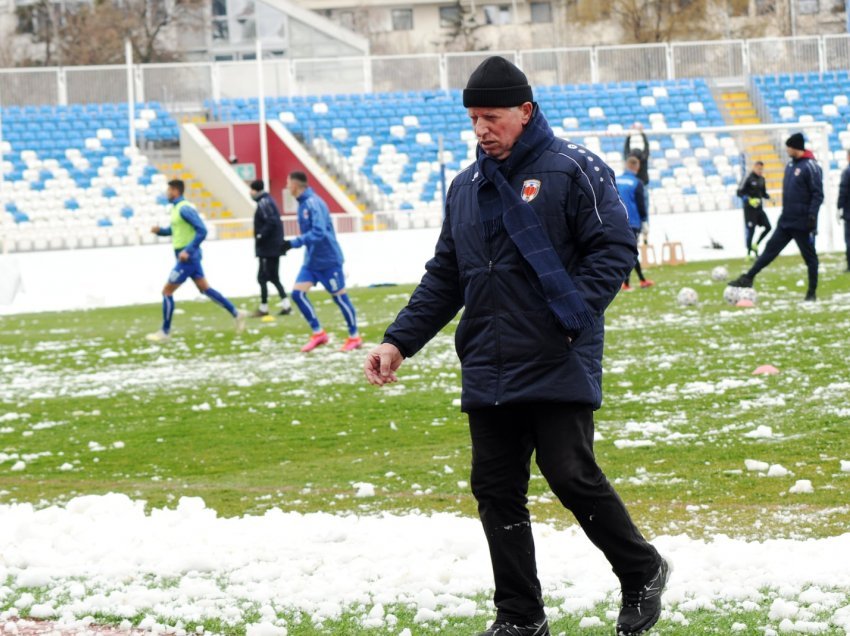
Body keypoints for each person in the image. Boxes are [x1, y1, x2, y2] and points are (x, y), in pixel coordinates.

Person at [364, 56, 669, 636]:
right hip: (488, 358)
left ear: (525, 112)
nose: (481, 129)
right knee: (496, 490)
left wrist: (572, 319)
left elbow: (614, 247)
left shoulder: (574, 168)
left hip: (558, 350)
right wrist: (398, 342)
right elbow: (445, 276)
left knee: (569, 473)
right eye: (474, 118)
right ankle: (520, 617)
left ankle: (642, 568)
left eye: (492, 116)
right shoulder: (465, 188)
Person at [146, 179, 246, 343]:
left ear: (176, 190)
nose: (167, 193)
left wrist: (188, 250)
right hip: (188, 257)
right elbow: (175, 230)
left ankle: (165, 331)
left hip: (188, 259)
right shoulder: (176, 209)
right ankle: (236, 313)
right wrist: (160, 232)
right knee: (205, 289)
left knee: (167, 292)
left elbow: (202, 230)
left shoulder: (184, 208)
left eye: (169, 190)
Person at [729, 133, 823, 301]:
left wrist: (812, 217)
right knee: (769, 250)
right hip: (786, 221)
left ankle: (811, 293)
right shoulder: (790, 166)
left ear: (796, 148)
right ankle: (748, 278)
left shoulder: (811, 166)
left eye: (789, 147)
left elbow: (818, 195)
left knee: (810, 258)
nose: (787, 150)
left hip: (802, 223)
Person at [283, 171, 362, 353]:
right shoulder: (302, 204)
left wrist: (292, 243)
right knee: (297, 294)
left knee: (340, 298)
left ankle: (354, 336)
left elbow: (318, 233)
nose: (287, 187)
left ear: (295, 185)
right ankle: (319, 333)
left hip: (328, 260)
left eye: (288, 184)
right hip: (311, 262)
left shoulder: (313, 203)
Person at [250, 179, 292, 317]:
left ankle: (264, 308)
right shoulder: (268, 201)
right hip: (273, 247)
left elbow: (271, 221)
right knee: (274, 277)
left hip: (268, 249)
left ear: (256, 190)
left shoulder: (264, 203)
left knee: (262, 278)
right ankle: (286, 305)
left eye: (251, 190)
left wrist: (261, 235)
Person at [617, 155, 653, 291]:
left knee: (625, 252)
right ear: (637, 168)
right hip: (632, 222)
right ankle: (630, 282)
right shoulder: (637, 183)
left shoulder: (615, 179)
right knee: (630, 253)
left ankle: (632, 281)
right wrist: (644, 221)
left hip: (617, 221)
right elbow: (641, 204)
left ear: (626, 165)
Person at [736, 161, 772, 259]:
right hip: (749, 210)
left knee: (768, 227)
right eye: (759, 169)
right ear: (754, 167)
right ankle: (748, 253)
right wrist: (749, 200)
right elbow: (739, 192)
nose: (761, 171)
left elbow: (763, 193)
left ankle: (756, 244)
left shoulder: (762, 179)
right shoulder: (747, 178)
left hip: (759, 209)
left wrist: (770, 198)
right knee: (751, 230)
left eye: (762, 169)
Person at [837, 149, 850, 272]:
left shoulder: (847, 172)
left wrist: (839, 206)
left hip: (849, 212)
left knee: (849, 239)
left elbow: (843, 190)